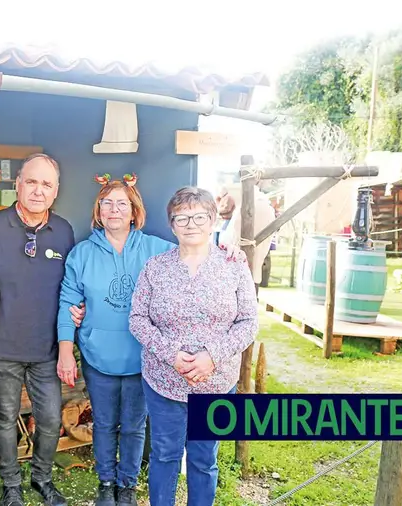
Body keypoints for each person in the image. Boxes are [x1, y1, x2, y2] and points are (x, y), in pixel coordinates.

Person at [129, 186, 258, 506]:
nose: (191, 224)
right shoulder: (155, 268)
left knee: (203, 459)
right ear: (171, 225)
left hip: (216, 383)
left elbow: (249, 322)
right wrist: (171, 355)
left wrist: (212, 357)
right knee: (164, 455)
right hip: (164, 382)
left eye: (199, 216)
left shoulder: (233, 265)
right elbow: (138, 320)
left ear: (214, 221)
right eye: (181, 218)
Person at [56, 175, 174, 506]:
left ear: (134, 212)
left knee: (135, 427)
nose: (114, 210)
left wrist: (226, 249)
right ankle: (106, 483)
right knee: (105, 424)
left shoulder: (157, 250)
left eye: (122, 203)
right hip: (99, 356)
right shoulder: (81, 254)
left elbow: (196, 254)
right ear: (98, 210)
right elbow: (68, 301)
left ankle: (127, 486)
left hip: (141, 357)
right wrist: (67, 349)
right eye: (107, 203)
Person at [0, 153, 75, 506]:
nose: (38, 190)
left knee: (50, 418)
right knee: (5, 417)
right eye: (32, 181)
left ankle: (42, 479)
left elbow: (72, 285)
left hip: (46, 348)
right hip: (2, 348)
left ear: (56, 191)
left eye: (46, 184)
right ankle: (11, 486)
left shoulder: (64, 231)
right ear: (17, 184)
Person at [218, 184, 276, 293]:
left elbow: (230, 237)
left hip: (238, 258)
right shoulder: (265, 205)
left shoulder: (240, 203)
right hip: (251, 252)